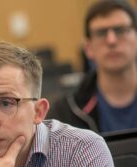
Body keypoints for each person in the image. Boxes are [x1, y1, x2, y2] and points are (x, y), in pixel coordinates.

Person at [48, 0, 137, 133]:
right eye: (101, 33)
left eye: (120, 30)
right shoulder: (65, 113)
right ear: (88, 48)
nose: (111, 40)